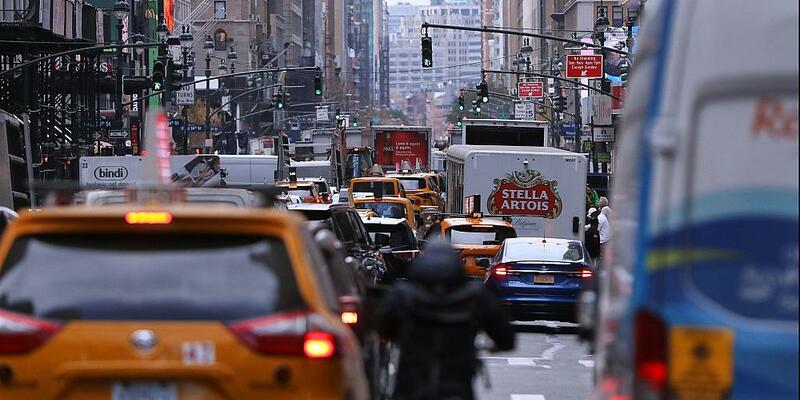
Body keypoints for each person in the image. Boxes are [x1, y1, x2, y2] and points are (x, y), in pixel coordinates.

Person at [377, 239, 516, 400]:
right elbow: (506, 338)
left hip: (412, 384)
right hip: (456, 385)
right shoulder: (475, 296)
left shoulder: (403, 294)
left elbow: (384, 329)